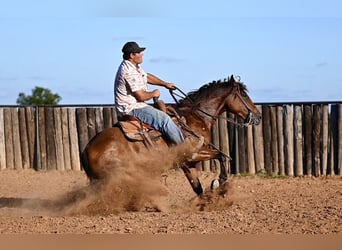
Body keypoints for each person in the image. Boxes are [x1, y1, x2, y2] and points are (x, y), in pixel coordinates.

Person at [114, 41, 203, 151]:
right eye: (139, 52)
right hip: (131, 108)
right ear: (132, 55)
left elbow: (146, 77)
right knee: (164, 119)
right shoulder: (127, 71)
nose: (142, 54)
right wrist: (154, 93)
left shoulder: (134, 67)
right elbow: (140, 96)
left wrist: (165, 84)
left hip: (137, 106)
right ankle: (185, 149)